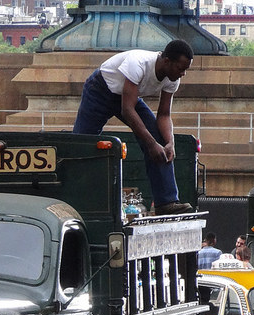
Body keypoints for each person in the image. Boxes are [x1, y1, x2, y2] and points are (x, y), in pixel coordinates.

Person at [72, 40, 195, 217]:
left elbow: (164, 115)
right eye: (180, 68)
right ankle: (76, 200)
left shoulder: (172, 78)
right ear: (167, 61)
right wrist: (151, 144)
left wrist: (170, 142)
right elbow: (127, 110)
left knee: (159, 139)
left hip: (128, 97)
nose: (183, 74)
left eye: (186, 69)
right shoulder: (138, 63)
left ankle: (166, 202)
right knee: (82, 144)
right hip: (100, 91)